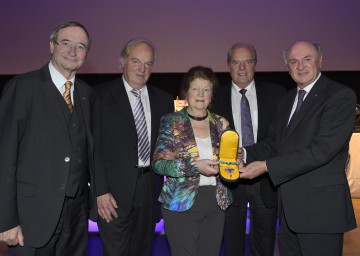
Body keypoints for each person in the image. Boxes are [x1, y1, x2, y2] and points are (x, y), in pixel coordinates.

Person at [240, 41, 357, 256]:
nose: (300, 66)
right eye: (293, 61)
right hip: (289, 212)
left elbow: (321, 150)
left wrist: (266, 166)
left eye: (307, 59)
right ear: (287, 66)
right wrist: (244, 153)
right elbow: (274, 141)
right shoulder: (286, 100)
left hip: (321, 212)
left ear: (320, 60)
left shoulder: (340, 96)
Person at [0, 21, 94, 255]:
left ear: (86, 54)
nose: (73, 51)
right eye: (66, 43)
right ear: (52, 46)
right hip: (31, 217)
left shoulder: (86, 94)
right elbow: (4, 156)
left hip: (75, 217)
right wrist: (6, 220)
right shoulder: (23, 87)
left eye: (80, 46)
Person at [93, 38, 174, 256]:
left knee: (143, 251)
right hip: (112, 194)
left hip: (149, 189)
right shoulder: (99, 96)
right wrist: (100, 191)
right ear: (122, 61)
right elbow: (93, 148)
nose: (142, 68)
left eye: (148, 63)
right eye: (136, 61)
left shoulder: (164, 100)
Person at [153, 66, 239, 256]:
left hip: (216, 203)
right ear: (186, 92)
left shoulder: (221, 123)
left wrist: (236, 161)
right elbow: (159, 164)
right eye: (195, 88)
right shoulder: (171, 121)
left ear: (212, 94)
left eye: (206, 89)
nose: (200, 94)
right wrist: (194, 166)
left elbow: (230, 159)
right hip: (181, 203)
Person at [211, 42, 286, 256]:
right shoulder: (214, 98)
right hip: (229, 182)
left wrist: (244, 153)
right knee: (231, 245)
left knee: (264, 244)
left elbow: (276, 139)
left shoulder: (276, 94)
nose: (242, 68)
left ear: (255, 64)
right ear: (228, 65)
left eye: (248, 62)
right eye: (236, 62)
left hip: (265, 179)